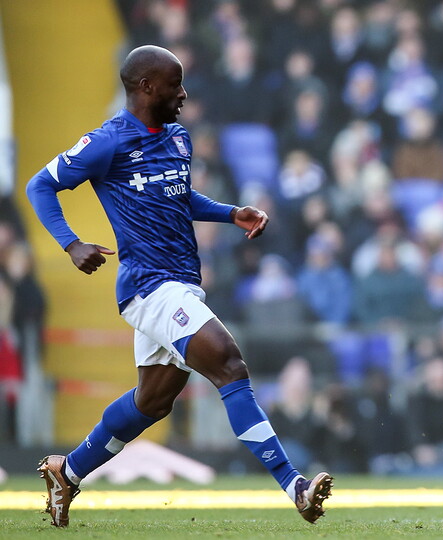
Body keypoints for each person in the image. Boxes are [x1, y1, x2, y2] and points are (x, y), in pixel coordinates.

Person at [25, 45, 332, 528]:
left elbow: (177, 193)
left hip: (181, 283)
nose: (184, 93)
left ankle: (69, 471)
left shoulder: (178, 137)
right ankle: (293, 484)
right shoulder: (108, 142)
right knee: (229, 364)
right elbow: (39, 186)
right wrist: (70, 243)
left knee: (152, 402)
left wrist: (230, 213)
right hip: (149, 286)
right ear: (147, 87)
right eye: (175, 84)